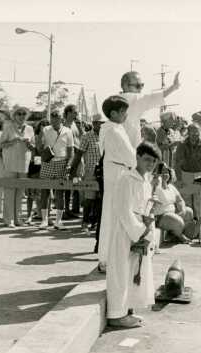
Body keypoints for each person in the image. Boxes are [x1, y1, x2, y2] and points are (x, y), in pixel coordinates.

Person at [107, 141, 161, 328]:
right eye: (146, 159)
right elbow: (123, 210)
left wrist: (148, 233)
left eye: (153, 161)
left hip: (141, 229)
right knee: (121, 272)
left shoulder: (146, 181)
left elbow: (147, 208)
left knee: (134, 272)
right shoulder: (126, 179)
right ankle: (116, 315)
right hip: (126, 231)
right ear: (137, 156)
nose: (150, 164)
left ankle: (128, 310)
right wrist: (138, 231)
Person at [98, 95, 135, 272]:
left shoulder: (114, 128)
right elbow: (130, 156)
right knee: (114, 215)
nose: (126, 115)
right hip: (117, 173)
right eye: (123, 112)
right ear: (113, 113)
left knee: (113, 214)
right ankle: (107, 259)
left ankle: (109, 257)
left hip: (117, 171)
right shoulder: (113, 130)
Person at [120, 70, 181, 150]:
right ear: (125, 86)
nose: (140, 89)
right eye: (137, 86)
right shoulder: (133, 98)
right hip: (129, 150)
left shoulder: (114, 100)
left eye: (142, 85)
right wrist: (173, 87)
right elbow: (154, 98)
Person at [0, 106, 35, 227]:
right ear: (14, 115)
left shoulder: (30, 129)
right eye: (18, 113)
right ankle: (8, 220)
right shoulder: (8, 127)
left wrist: (29, 144)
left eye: (23, 114)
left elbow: (34, 147)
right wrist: (12, 142)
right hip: (10, 163)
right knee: (9, 191)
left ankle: (18, 219)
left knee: (20, 193)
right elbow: (1, 145)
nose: (21, 116)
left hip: (24, 163)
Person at [39, 110, 74, 230]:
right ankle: (44, 220)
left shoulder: (68, 131)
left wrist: (69, 164)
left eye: (57, 117)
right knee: (44, 191)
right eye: (52, 117)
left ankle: (58, 221)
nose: (54, 119)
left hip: (62, 163)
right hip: (48, 162)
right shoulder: (45, 129)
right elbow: (40, 147)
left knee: (60, 193)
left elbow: (70, 150)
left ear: (61, 118)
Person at [73, 113, 103, 235]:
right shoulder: (86, 137)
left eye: (103, 123)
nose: (101, 126)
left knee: (99, 199)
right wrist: (74, 171)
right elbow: (79, 154)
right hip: (91, 171)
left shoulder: (106, 137)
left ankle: (95, 223)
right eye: (99, 123)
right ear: (94, 123)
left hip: (104, 171)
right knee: (89, 199)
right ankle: (85, 223)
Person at [174, 123, 201, 221]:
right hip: (186, 174)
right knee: (186, 204)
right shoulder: (182, 144)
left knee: (200, 203)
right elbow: (177, 163)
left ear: (200, 133)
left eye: (197, 134)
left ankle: (200, 228)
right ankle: (187, 228)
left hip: (200, 174)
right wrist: (179, 179)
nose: (195, 136)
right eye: (192, 134)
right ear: (188, 133)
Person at [153, 162, 192, 243]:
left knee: (189, 212)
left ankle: (175, 235)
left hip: (172, 213)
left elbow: (179, 200)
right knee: (179, 222)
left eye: (167, 172)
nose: (165, 174)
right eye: (162, 172)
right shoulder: (156, 186)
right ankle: (180, 236)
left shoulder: (171, 187)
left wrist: (182, 209)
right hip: (160, 216)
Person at [26, 119, 48, 225]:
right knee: (31, 193)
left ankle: (43, 216)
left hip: (45, 166)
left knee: (43, 194)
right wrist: (32, 148)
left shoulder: (49, 138)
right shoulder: (34, 137)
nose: (43, 127)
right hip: (34, 167)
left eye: (46, 125)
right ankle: (29, 216)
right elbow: (34, 153)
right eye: (42, 125)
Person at [63, 104, 81, 219]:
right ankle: (66, 210)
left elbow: (79, 139)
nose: (76, 114)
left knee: (76, 183)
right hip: (68, 157)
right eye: (74, 112)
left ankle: (74, 209)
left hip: (77, 157)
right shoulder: (64, 125)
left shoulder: (75, 124)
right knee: (67, 185)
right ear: (68, 113)